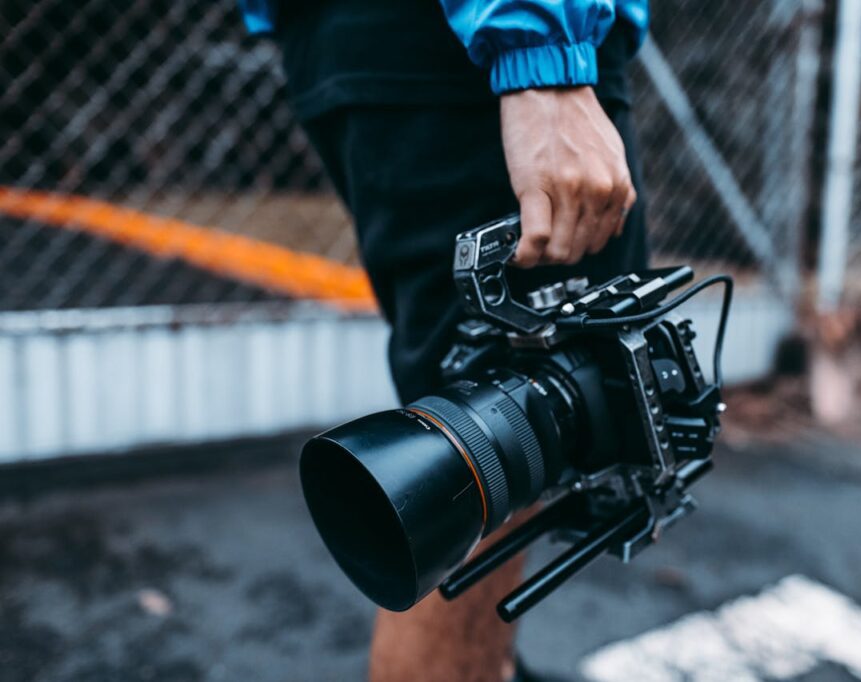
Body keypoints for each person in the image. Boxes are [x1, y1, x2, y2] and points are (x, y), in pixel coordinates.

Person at [239, 0, 650, 679]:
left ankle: (486, 663)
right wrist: (542, 66)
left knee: (507, 434)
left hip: (367, 39)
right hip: (475, 45)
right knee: (504, 436)